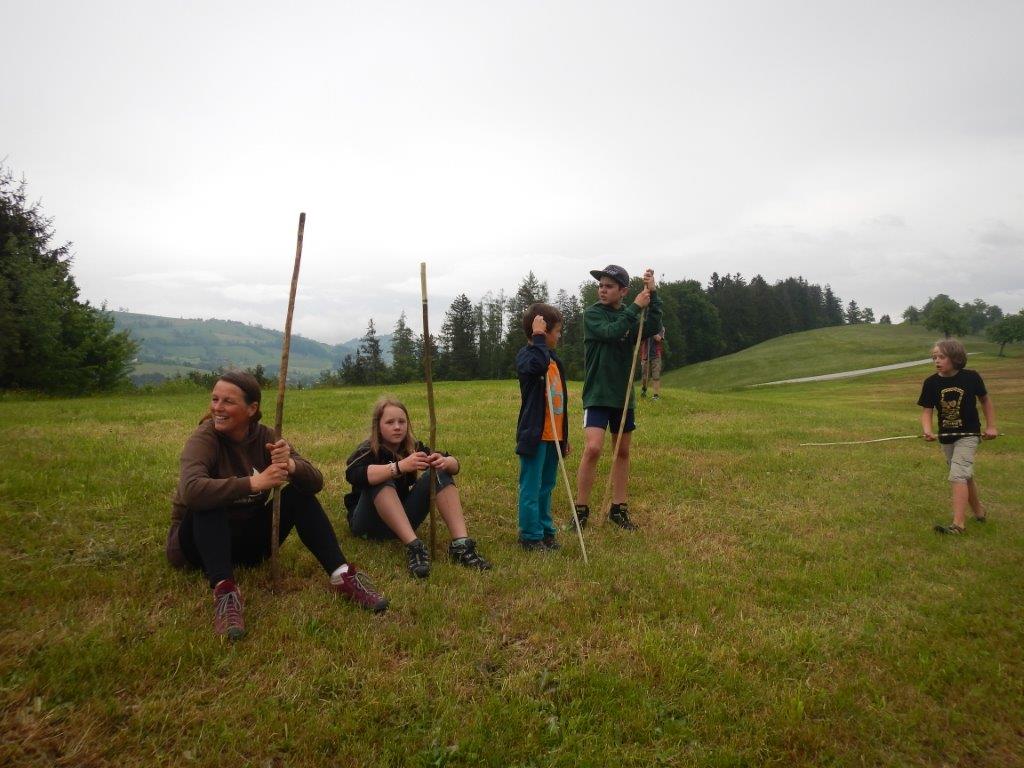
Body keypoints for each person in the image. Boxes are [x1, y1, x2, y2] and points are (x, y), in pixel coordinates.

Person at [166, 371, 388, 642]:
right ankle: (225, 591)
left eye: (227, 401)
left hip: (248, 545)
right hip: (200, 546)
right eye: (215, 399)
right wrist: (254, 483)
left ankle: (341, 575)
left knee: (299, 495)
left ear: (252, 409)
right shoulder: (205, 438)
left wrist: (291, 465)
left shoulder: (266, 437)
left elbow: (315, 482)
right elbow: (191, 491)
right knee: (208, 500)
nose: (217, 408)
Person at [344, 396, 492, 577]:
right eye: (390, 422)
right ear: (378, 426)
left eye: (402, 422)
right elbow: (353, 474)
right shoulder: (368, 450)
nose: (397, 427)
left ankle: (461, 546)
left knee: (439, 472)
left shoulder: (412, 448)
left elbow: (454, 465)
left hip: (401, 521)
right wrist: (398, 467)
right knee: (381, 476)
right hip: (368, 524)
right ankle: (414, 547)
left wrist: (445, 461)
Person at [574, 265, 663, 530]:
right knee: (593, 448)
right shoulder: (592, 314)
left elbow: (653, 326)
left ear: (622, 291)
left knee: (622, 451)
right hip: (598, 393)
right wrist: (635, 307)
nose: (602, 290)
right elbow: (611, 332)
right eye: (600, 285)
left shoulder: (629, 314)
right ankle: (581, 511)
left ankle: (618, 509)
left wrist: (653, 295)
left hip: (623, 395)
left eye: (609, 286)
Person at [918, 339, 998, 534]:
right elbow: (927, 410)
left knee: (958, 475)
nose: (937, 360)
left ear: (955, 358)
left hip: (969, 434)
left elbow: (985, 401)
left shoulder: (971, 378)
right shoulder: (931, 383)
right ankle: (979, 511)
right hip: (946, 436)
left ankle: (958, 525)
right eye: (934, 357)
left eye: (941, 357)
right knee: (964, 475)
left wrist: (991, 426)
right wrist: (927, 430)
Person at [515, 303, 569, 551]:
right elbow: (537, 366)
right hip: (535, 436)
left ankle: (546, 531)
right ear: (542, 332)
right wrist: (538, 338)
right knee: (531, 487)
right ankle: (530, 534)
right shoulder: (527, 357)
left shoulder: (554, 360)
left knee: (547, 486)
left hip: (553, 437)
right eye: (556, 331)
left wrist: (564, 436)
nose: (559, 336)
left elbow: (561, 403)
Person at [640, 326, 666, 400]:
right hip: (646, 355)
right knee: (645, 377)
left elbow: (658, 338)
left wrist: (651, 330)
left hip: (656, 355)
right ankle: (644, 389)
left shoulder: (661, 328)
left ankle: (656, 395)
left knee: (656, 376)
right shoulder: (646, 326)